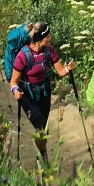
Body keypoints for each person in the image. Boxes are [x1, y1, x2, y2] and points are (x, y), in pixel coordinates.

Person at [8, 22, 74, 165]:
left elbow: (61, 71)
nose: (50, 38)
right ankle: (42, 157)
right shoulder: (22, 56)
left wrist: (68, 69)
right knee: (41, 128)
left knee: (43, 127)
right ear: (40, 38)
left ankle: (41, 153)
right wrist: (15, 91)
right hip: (27, 95)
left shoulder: (49, 51)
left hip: (44, 92)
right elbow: (13, 81)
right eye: (48, 36)